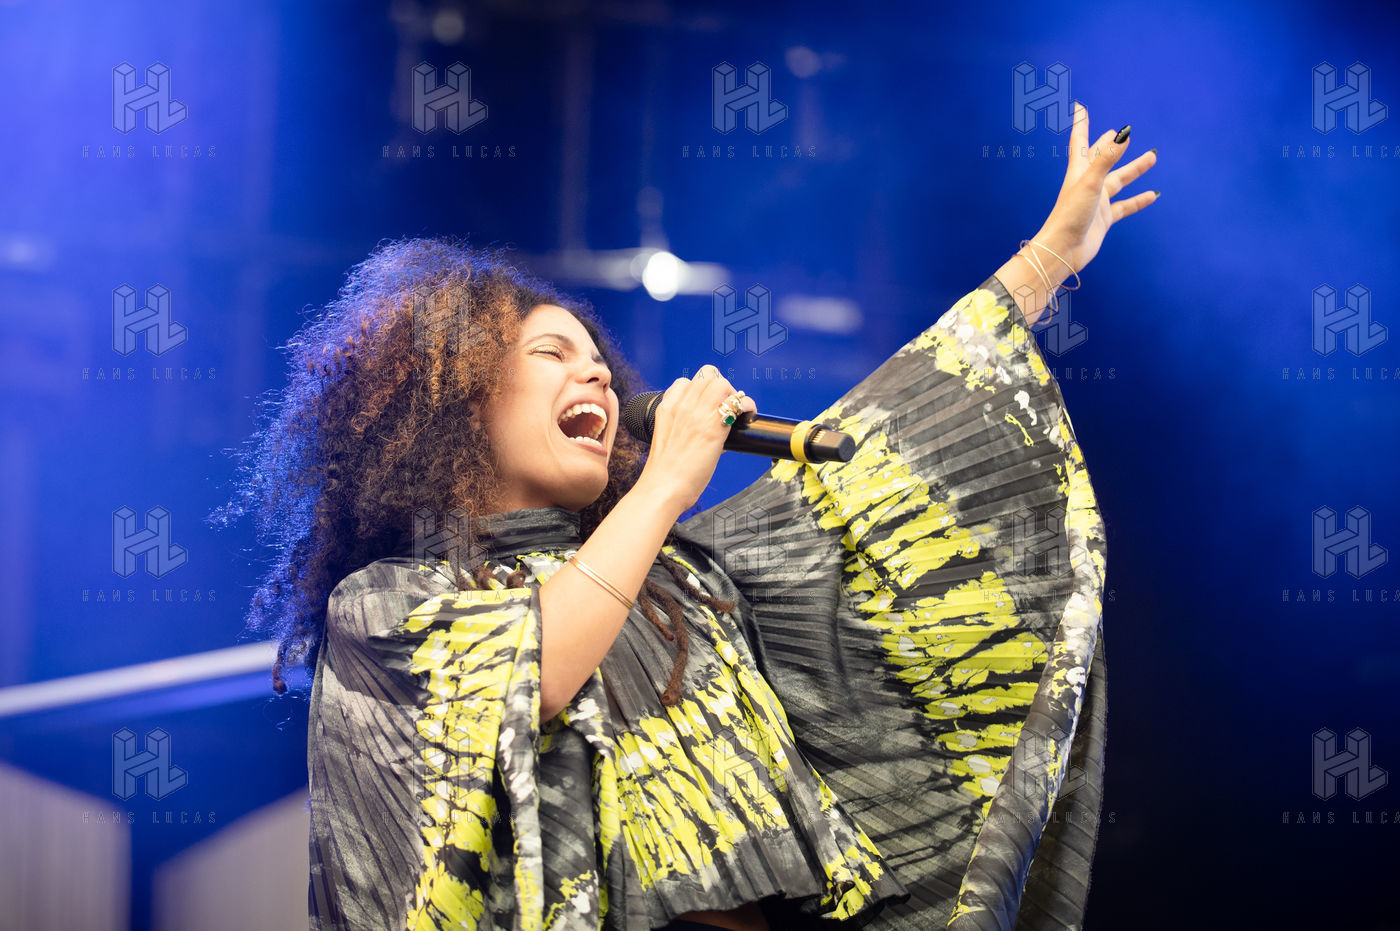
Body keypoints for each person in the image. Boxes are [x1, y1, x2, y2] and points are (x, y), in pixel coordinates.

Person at [212, 103, 1156, 930]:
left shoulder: (684, 582)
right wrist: (665, 481)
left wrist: (1049, 256)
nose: (595, 375)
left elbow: (899, 437)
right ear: (452, 402)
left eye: (598, 362)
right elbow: (529, 669)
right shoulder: (386, 605)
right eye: (551, 354)